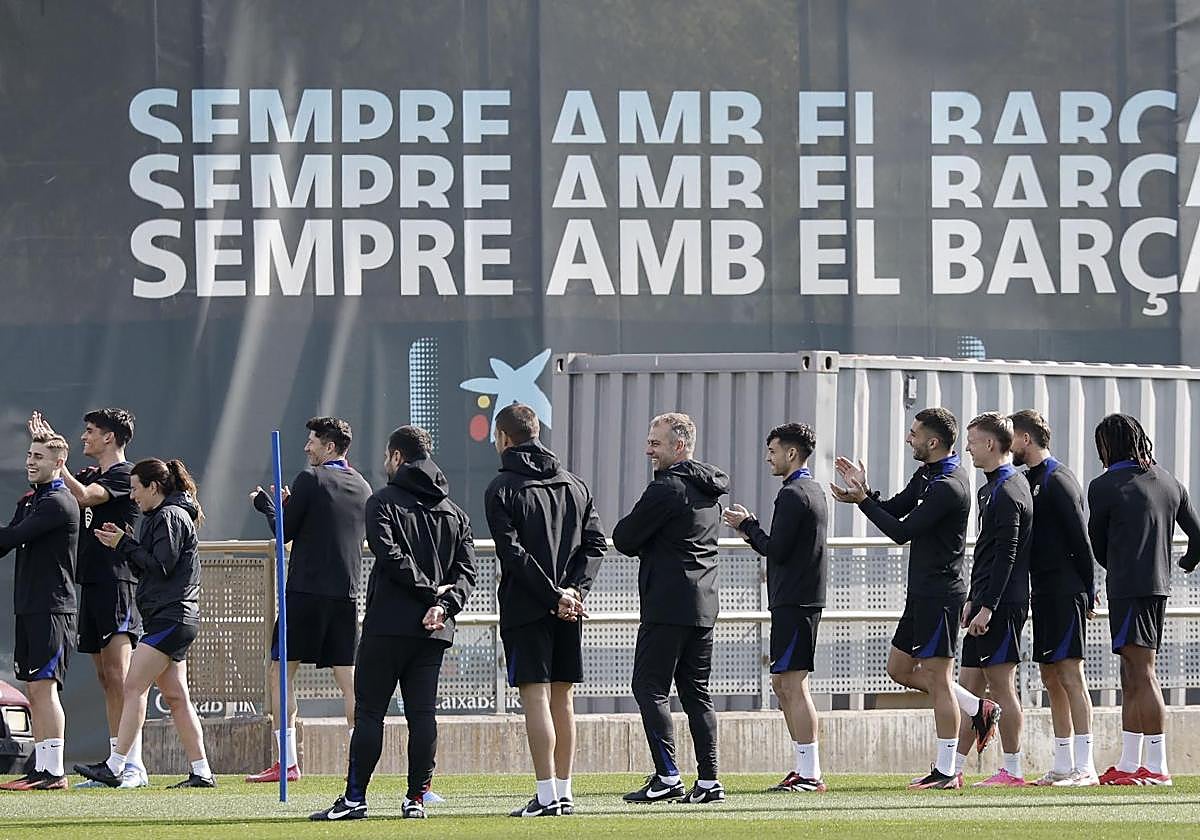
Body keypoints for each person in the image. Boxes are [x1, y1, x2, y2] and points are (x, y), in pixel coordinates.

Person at [310, 425, 475, 821]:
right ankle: (416, 798)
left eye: (387, 456)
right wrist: (444, 604)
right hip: (433, 630)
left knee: (370, 713)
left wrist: (430, 595)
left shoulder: (382, 502)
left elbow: (390, 555)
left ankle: (354, 799)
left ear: (397, 457)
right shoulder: (455, 513)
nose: (385, 463)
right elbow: (468, 573)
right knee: (423, 715)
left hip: (388, 626)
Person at [831, 407, 994, 790]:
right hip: (921, 592)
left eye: (913, 433)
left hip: (941, 594)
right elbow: (895, 510)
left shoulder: (949, 484)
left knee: (939, 679)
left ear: (932, 442)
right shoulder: (926, 475)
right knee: (899, 669)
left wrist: (862, 503)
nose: (909, 438)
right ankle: (977, 707)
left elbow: (901, 532)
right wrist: (865, 494)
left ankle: (947, 770)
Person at [485, 404, 606, 818]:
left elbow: (513, 554)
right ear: (536, 431)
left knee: (535, 699)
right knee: (563, 699)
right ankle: (565, 791)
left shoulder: (501, 488)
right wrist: (574, 591)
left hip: (527, 605)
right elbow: (596, 545)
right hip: (568, 607)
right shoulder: (575, 484)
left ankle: (546, 794)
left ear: (503, 437)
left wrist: (554, 594)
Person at [74, 458, 215, 789]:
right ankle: (202, 771)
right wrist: (124, 543)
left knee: (132, 686)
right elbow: (150, 566)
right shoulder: (166, 515)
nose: (133, 497)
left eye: (136, 489)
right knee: (177, 696)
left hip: (171, 616)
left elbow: (161, 566)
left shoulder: (169, 516)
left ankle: (118, 765)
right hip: (173, 615)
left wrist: (123, 544)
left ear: (154, 487)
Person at [245, 417, 372, 783]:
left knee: (280, 673)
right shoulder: (362, 485)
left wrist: (266, 505)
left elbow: (283, 528)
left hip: (304, 593)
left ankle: (287, 763)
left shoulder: (310, 479)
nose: (307, 447)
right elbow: (322, 522)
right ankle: (358, 764)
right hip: (345, 595)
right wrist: (291, 504)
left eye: (312, 441)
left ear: (329, 447)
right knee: (350, 683)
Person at [612, 412, 729, 805]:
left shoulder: (666, 488)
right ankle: (709, 781)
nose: (648, 450)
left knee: (649, 688)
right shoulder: (708, 489)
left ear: (678, 447)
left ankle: (667, 775)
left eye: (655, 443)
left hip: (666, 604)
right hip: (703, 603)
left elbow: (625, 537)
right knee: (697, 694)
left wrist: (649, 541)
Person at [29, 409, 147, 788]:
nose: (84, 438)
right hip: (92, 583)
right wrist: (49, 448)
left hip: (119, 582)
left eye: (91, 432)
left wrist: (59, 459)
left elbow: (81, 497)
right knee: (104, 677)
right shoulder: (87, 472)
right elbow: (59, 487)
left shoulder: (121, 475)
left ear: (110, 438)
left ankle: (133, 765)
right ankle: (114, 765)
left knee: (122, 678)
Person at [1088, 414, 1200, 786]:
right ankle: (1131, 760)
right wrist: (1181, 562)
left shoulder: (1104, 486)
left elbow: (1097, 544)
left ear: (1108, 446)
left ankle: (1157, 766)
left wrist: (1116, 566)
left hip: (1128, 586)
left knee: (1142, 671)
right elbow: (1197, 536)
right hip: (1156, 585)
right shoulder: (1170, 481)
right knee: (1131, 671)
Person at [723, 422, 828, 793]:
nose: (768, 458)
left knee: (793, 685)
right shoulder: (809, 489)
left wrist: (748, 526)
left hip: (796, 601)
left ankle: (811, 773)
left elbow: (776, 549)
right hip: (796, 599)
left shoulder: (793, 493)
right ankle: (803, 768)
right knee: (783, 683)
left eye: (772, 451)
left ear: (791, 453)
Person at [1010, 409, 1099, 786]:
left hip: (1066, 592)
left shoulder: (1059, 479)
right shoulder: (1028, 479)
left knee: (1070, 673)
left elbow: (1082, 540)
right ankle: (1063, 763)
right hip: (1042, 591)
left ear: (1026, 439)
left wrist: (1091, 590)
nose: (1008, 444)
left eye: (1012, 437)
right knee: (1049, 675)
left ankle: (1086, 766)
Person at [953, 413, 1033, 787]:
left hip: (1002, 603)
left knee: (1001, 686)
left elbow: (1008, 553)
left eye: (971, 441)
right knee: (969, 688)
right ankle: (952, 768)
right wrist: (973, 597)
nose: (966, 447)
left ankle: (1013, 771)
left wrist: (988, 606)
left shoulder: (1009, 488)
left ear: (989, 444)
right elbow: (985, 552)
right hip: (984, 600)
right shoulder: (988, 488)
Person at [0, 432, 79, 791]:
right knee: (34, 689)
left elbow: (11, 538)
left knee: (45, 689)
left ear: (59, 463)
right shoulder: (30, 500)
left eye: (40, 457)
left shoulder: (59, 502)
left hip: (53, 609)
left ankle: (54, 771)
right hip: (29, 607)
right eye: (30, 455)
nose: (31, 461)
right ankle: (40, 770)